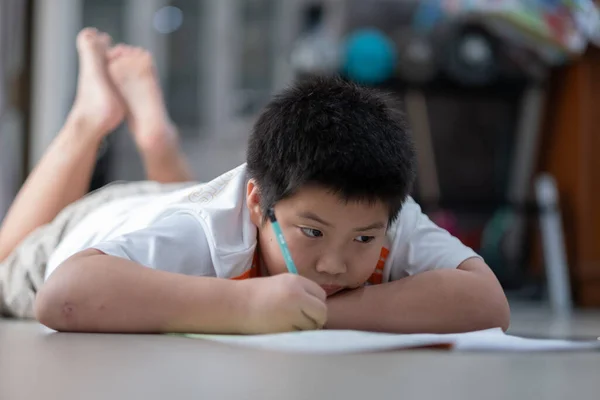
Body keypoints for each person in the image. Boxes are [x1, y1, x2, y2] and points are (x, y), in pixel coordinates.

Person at [0, 28, 510, 334]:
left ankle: (158, 140)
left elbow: (488, 304)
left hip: (176, 200)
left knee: (194, 228)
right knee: (5, 259)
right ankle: (90, 118)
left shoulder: (374, 201)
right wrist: (247, 304)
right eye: (311, 233)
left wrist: (325, 314)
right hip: (99, 223)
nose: (335, 264)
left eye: (364, 240)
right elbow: (61, 295)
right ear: (257, 202)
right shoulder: (199, 228)